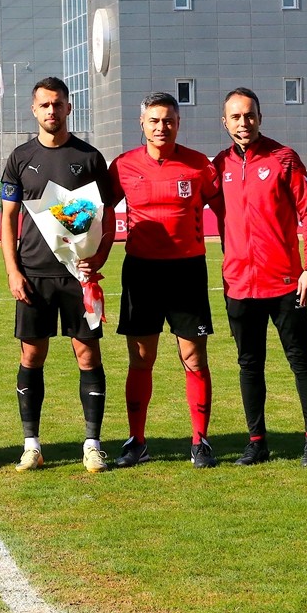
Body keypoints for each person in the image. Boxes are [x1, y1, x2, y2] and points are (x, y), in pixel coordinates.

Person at [0, 78, 117, 473]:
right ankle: (31, 445)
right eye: (45, 105)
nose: (52, 111)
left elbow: (106, 215)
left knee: (87, 355)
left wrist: (97, 258)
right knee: (32, 355)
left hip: (75, 277)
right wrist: (13, 270)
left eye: (58, 104)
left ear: (69, 108)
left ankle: (92, 444)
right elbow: (8, 219)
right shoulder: (19, 158)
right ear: (34, 110)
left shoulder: (88, 158)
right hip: (33, 274)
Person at [211, 88, 307, 466]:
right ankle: (257, 442)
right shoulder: (218, 166)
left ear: (260, 117)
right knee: (249, 364)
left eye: (249, 115)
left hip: (285, 282)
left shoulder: (284, 158)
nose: (243, 123)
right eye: (236, 117)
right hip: (239, 285)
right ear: (224, 121)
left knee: (300, 359)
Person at [107, 92, 220, 469]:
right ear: (142, 124)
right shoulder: (123, 165)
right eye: (154, 120)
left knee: (193, 357)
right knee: (141, 359)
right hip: (141, 271)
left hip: (187, 271)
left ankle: (200, 440)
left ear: (178, 122)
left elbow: (227, 209)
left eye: (168, 120)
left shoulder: (198, 165)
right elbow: (97, 212)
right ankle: (136, 441)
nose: (161, 127)